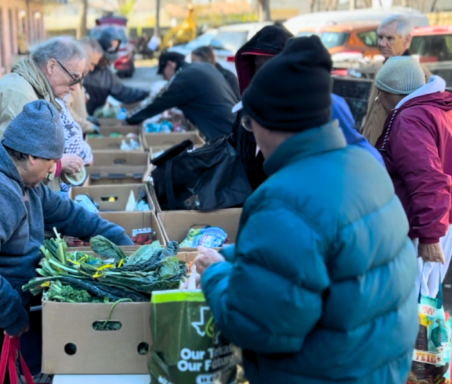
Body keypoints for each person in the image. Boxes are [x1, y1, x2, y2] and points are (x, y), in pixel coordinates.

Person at [193, 36, 417, 384]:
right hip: (376, 366)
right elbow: (324, 255)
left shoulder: (283, 200)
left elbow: (259, 325)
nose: (250, 135)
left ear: (271, 123)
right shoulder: (362, 163)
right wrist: (240, 256)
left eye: (250, 124)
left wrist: (215, 275)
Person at [0, 100, 133, 384]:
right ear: (33, 157)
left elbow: (73, 217)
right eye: (51, 162)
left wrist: (127, 247)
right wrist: (11, 314)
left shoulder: (29, 187)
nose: (53, 170)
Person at [229, 25, 381, 192]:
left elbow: (357, 149)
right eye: (259, 66)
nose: (264, 75)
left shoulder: (325, 105)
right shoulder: (246, 112)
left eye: (271, 66)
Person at [373, 57, 452, 299]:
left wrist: (429, 236)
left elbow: (426, 178)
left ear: (393, 93)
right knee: (428, 300)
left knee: (416, 301)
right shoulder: (437, 108)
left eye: (381, 93)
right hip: (439, 220)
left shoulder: (410, 119)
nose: (377, 99)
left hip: (423, 225)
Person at [0, 36, 87, 141]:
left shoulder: (28, 88)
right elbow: (14, 156)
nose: (74, 87)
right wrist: (59, 161)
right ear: (51, 66)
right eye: (74, 77)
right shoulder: (21, 94)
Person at [124, 51, 238, 141]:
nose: (164, 78)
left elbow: (157, 102)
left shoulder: (184, 77)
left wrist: (129, 120)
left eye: (163, 73)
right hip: (234, 127)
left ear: (170, 64)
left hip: (222, 134)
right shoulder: (203, 68)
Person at [361, 14, 428, 145]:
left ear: (406, 40)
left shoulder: (417, 75)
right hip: (372, 153)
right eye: (380, 37)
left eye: (389, 38)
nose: (382, 43)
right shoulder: (383, 70)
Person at [83, 28, 149, 116]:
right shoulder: (81, 71)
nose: (109, 62)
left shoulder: (106, 75)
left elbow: (123, 92)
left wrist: (147, 93)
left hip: (91, 120)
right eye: (106, 59)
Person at [68, 37, 103, 135]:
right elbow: (66, 112)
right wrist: (88, 126)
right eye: (91, 64)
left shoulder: (78, 77)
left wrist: (86, 118)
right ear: (83, 57)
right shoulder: (69, 77)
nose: (92, 69)